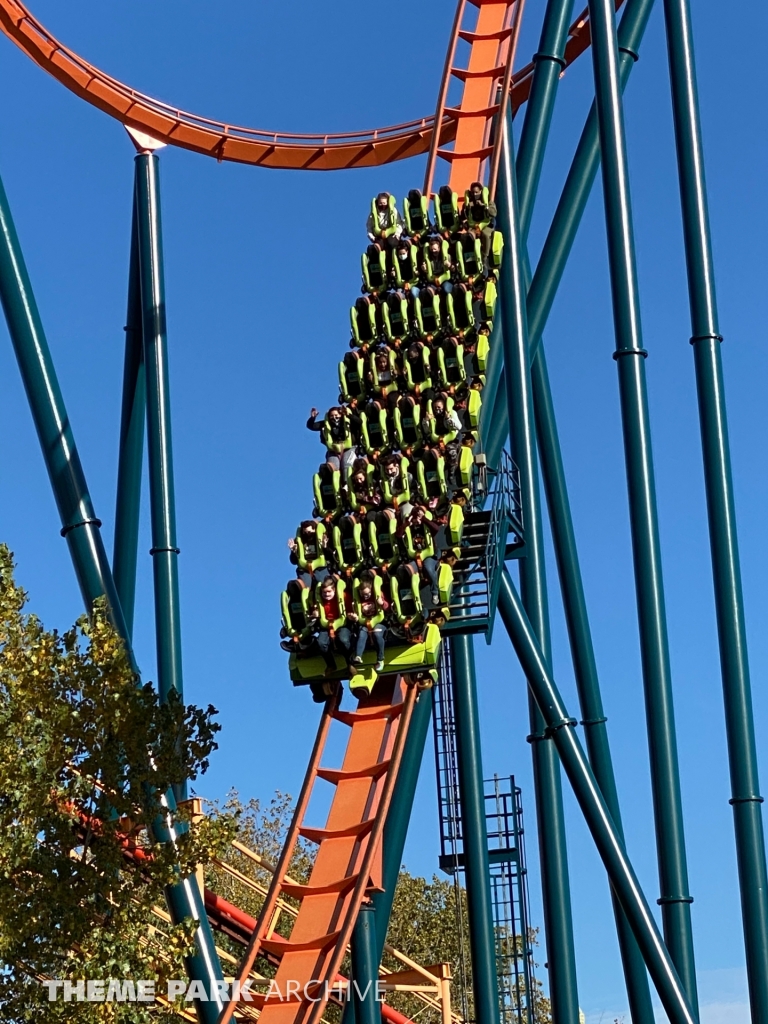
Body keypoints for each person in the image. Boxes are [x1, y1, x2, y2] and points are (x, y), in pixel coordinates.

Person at [398, 504, 442, 605]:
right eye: (415, 518)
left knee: (428, 568)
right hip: (414, 557)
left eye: (418, 518)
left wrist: (423, 519)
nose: (416, 521)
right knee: (406, 571)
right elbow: (398, 535)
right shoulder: (410, 529)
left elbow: (436, 529)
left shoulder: (426, 527)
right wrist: (406, 524)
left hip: (429, 556)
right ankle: (411, 600)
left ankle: (435, 592)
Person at [312, 576, 353, 674]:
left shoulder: (344, 596)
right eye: (324, 592)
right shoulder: (319, 600)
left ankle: (350, 663)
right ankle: (331, 664)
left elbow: (351, 609)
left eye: (329, 592)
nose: (326, 594)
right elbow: (313, 610)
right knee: (321, 643)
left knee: (344, 640)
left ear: (334, 590)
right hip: (326, 625)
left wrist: (351, 615)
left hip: (341, 624)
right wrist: (315, 613)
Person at [349, 574, 389, 672]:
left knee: (377, 633)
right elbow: (355, 615)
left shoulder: (378, 595)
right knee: (362, 633)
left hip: (379, 622)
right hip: (365, 623)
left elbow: (388, 607)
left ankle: (380, 659)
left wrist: (382, 603)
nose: (366, 596)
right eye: (363, 595)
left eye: (368, 594)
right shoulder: (358, 601)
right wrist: (354, 617)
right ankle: (358, 656)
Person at [307, 406, 360, 472]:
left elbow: (359, 422)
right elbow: (311, 426)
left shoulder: (347, 421)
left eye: (336, 415)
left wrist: (348, 415)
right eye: (331, 416)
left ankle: (347, 481)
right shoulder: (325, 424)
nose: (334, 417)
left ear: (340, 415)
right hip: (333, 450)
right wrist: (312, 418)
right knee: (332, 468)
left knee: (346, 465)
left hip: (349, 448)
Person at [464, 181, 498, 273]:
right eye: (473, 193)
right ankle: (469, 262)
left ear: (481, 192)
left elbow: (494, 213)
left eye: (477, 192)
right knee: (468, 237)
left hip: (485, 225)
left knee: (486, 235)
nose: (475, 195)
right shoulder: (469, 203)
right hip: (473, 226)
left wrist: (484, 206)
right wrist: (467, 208)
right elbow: (463, 216)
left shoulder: (487, 200)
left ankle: (485, 258)